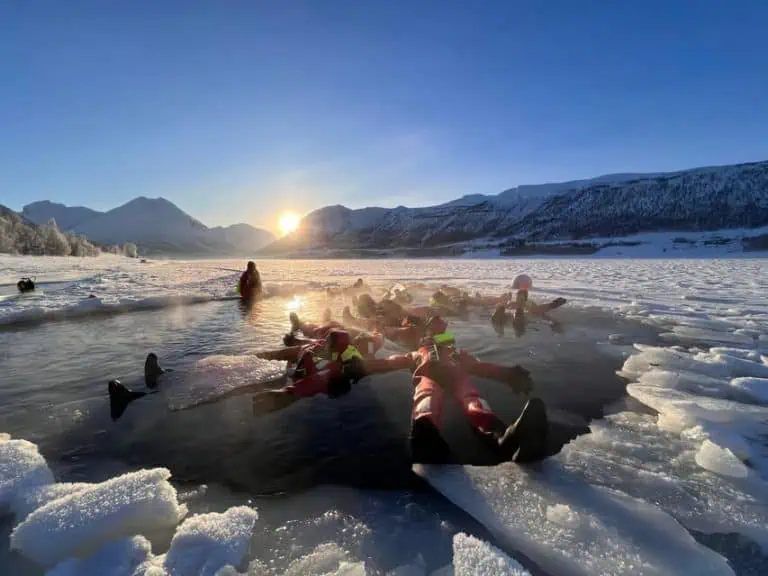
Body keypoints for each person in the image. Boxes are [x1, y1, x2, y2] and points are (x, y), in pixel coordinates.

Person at [253, 315, 547, 464]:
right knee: (463, 400)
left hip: (434, 374)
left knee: (455, 400)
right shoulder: (452, 353)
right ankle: (437, 432)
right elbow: (482, 367)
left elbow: (392, 362)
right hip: (445, 375)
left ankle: (501, 437)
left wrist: (509, 374)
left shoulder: (428, 353)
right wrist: (509, 375)